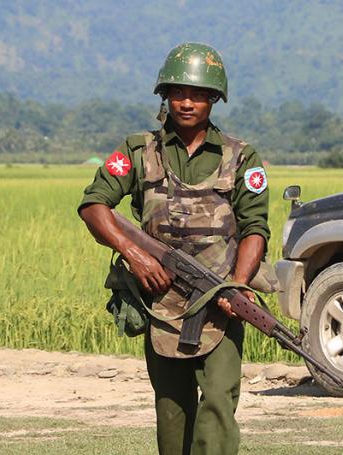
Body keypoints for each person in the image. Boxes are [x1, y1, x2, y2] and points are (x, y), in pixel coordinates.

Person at [78, 43, 271, 454]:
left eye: (199, 94)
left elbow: (256, 227)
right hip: (162, 303)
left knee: (219, 402)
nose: (187, 102)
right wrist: (137, 255)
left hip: (220, 303)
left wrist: (234, 288)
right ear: (164, 95)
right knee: (172, 412)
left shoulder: (242, 157)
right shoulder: (137, 150)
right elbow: (95, 207)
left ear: (214, 99)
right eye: (178, 93)